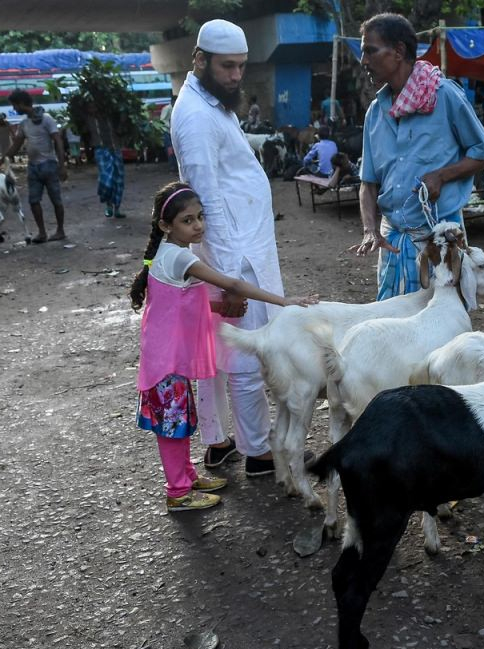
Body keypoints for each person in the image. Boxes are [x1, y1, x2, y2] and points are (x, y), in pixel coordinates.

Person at [130, 182, 318, 512]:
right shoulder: (178, 257)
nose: (199, 225)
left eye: (200, 217)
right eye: (188, 220)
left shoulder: (171, 254)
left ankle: (187, 477)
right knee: (174, 427)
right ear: (165, 226)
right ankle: (178, 492)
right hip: (165, 362)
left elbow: (176, 304)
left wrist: (218, 309)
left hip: (165, 357)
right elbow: (230, 283)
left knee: (179, 421)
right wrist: (285, 301)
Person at [171, 19, 297, 476]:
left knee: (221, 356)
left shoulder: (213, 101)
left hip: (245, 250)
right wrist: (230, 282)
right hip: (234, 257)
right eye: (227, 66)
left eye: (242, 67)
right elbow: (203, 202)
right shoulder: (194, 115)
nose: (236, 76)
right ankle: (259, 453)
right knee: (244, 357)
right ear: (200, 59)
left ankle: (220, 441)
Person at [350, 13, 484, 300]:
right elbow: (368, 183)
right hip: (393, 240)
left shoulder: (445, 96)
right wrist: (370, 230)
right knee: (392, 327)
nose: (363, 60)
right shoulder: (375, 112)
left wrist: (443, 175)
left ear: (399, 51)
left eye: (370, 50)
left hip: (441, 239)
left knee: (442, 333)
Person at [0, 90, 67, 243]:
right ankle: (42, 232)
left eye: (14, 105)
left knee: (56, 200)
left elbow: (58, 142)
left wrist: (62, 165)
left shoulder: (46, 119)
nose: (14, 108)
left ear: (21, 103)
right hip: (34, 167)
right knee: (34, 201)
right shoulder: (24, 123)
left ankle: (60, 230)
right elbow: (15, 147)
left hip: (49, 165)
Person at [85, 102, 126, 218]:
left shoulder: (110, 117)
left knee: (118, 180)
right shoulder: (88, 120)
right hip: (101, 151)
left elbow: (120, 131)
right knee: (106, 180)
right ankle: (108, 205)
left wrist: (122, 121)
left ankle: (117, 208)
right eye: (89, 107)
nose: (91, 108)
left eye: (93, 105)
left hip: (115, 149)